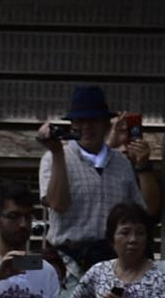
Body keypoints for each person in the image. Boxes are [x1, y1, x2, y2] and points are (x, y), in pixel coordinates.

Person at [40, 86, 158, 267]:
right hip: (68, 259)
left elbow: (145, 211)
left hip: (113, 260)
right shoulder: (52, 158)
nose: (87, 127)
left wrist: (143, 165)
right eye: (80, 121)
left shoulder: (121, 162)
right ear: (73, 125)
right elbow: (58, 204)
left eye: (94, 120)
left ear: (106, 125)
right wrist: (57, 153)